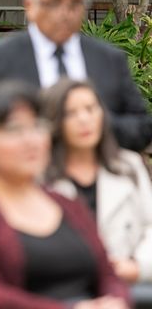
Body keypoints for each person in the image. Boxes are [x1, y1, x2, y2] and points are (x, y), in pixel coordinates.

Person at [0, 81, 131, 309]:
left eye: (37, 126)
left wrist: (115, 301)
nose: (32, 140)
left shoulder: (66, 204)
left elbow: (107, 274)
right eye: (14, 129)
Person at [0, 0, 152, 152]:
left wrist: (97, 124)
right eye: (55, 2)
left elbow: (141, 127)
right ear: (30, 5)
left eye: (76, 3)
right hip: (25, 178)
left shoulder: (109, 59)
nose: (65, 13)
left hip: (95, 176)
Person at [42, 78, 152, 285]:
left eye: (91, 109)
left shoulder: (128, 166)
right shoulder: (39, 175)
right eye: (70, 113)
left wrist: (138, 266)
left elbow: (150, 227)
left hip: (129, 286)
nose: (84, 119)